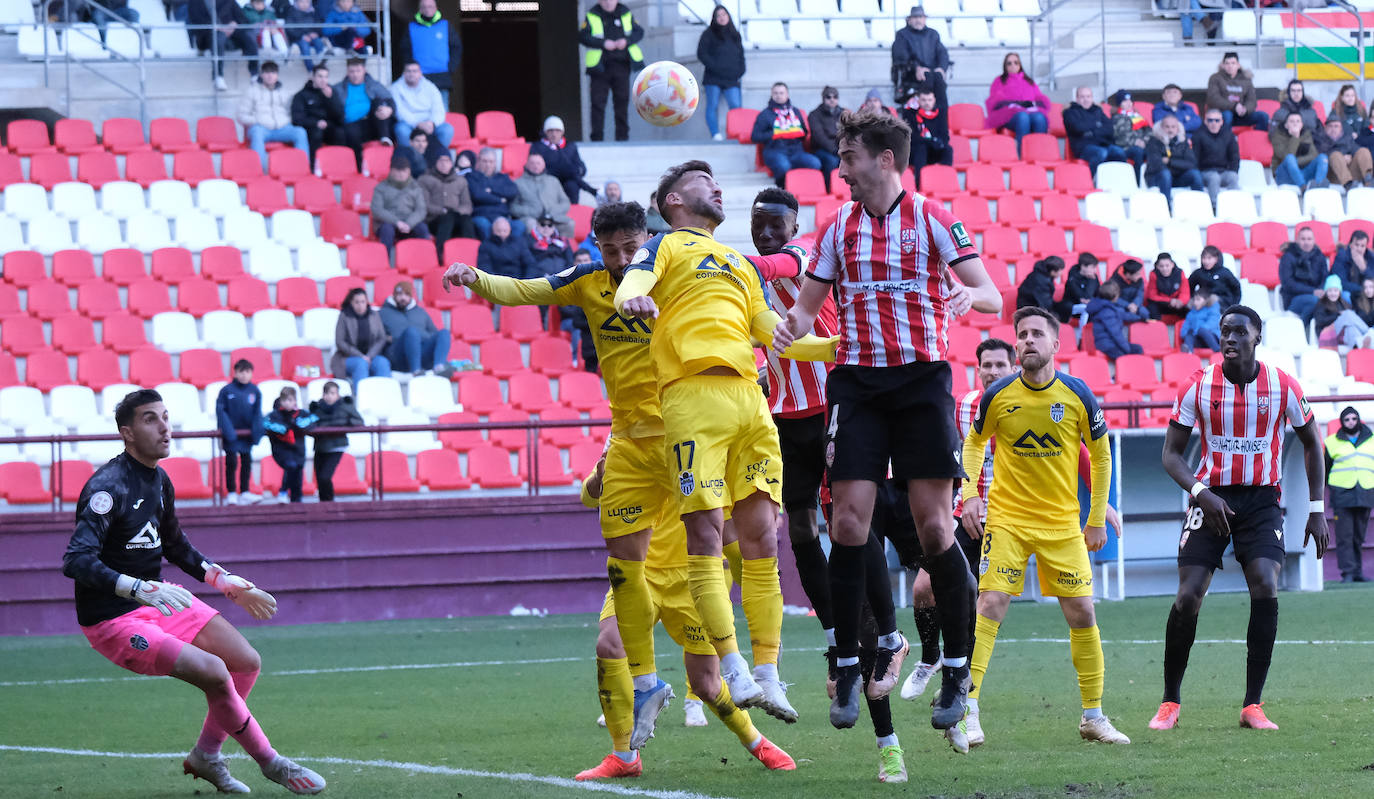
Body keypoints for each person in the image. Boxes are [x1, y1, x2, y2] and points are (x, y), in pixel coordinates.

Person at [445, 202, 799, 769]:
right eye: (608, 249)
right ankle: (635, 719)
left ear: (648, 241)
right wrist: (477, 278)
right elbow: (528, 290)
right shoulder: (588, 283)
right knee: (615, 589)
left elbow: (725, 302)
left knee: (726, 557)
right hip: (630, 441)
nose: (618, 260)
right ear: (596, 248)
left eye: (628, 248)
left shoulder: (669, 273)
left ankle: (754, 691)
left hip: (686, 427)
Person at [775, 110, 1002, 733]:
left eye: (848, 156)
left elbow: (993, 295)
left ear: (883, 160)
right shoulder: (836, 227)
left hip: (922, 381)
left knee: (933, 530)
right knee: (847, 521)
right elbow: (805, 310)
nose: (839, 168)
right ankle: (850, 659)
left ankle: (957, 666)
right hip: (858, 385)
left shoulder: (933, 217)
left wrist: (967, 296)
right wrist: (782, 330)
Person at [616, 162, 846, 730]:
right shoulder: (665, 246)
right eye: (703, 183)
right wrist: (634, 301)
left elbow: (776, 333)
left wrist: (843, 346)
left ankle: (767, 672)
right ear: (674, 200)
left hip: (750, 401)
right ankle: (732, 664)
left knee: (764, 535)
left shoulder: (739, 265)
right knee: (706, 534)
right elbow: (632, 282)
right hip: (693, 397)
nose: (717, 188)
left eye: (716, 183)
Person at [61, 389, 326, 796]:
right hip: (113, 618)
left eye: (166, 416)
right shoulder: (107, 487)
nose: (165, 426)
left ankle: (206, 756)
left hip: (161, 600)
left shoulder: (160, 481)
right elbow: (76, 560)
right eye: (151, 419)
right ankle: (271, 762)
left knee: (245, 662)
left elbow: (175, 545)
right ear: (127, 433)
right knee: (216, 673)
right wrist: (135, 588)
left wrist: (224, 581)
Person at [1154, 304, 1329, 732]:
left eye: (1238, 332)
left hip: (1261, 501)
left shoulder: (1282, 386)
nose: (1229, 338)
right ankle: (1169, 702)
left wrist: (1317, 509)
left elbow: (1312, 442)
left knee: (1266, 584)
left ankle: (1253, 705)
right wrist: (1200, 493)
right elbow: (1171, 455)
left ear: (1257, 337)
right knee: (1188, 595)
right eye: (1224, 332)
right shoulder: (1198, 386)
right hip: (1210, 498)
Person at [574, 444, 796, 780]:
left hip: (695, 581)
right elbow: (589, 495)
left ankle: (757, 742)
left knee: (705, 684)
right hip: (641, 574)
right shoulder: (633, 432)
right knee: (609, 644)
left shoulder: (700, 441)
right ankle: (624, 756)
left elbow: (731, 538)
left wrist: (759, 620)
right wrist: (600, 479)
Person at [961, 306, 1129, 744]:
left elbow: (1102, 454)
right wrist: (970, 495)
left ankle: (1093, 716)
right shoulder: (997, 395)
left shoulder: (1077, 394)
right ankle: (968, 708)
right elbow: (974, 442)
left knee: (1082, 612)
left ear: (1056, 344)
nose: (1027, 341)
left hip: (1061, 524)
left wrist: (1095, 518)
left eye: (1037, 334)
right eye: (1021, 334)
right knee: (991, 602)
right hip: (1009, 519)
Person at [579, 0, 644, 142]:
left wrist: (626, 41)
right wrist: (603, 43)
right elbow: (583, 36)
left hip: (622, 66)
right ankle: (597, 139)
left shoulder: (625, 12)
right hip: (600, 68)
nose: (608, 2)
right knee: (597, 104)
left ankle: (622, 138)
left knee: (622, 103)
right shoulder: (592, 14)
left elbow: (639, 31)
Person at [1325, 407, 1374, 583]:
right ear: (1342, 422)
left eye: (1354, 418)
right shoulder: (1331, 442)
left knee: (1359, 536)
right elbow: (1325, 468)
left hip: (1366, 492)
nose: (1351, 422)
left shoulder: (1372, 440)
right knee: (1344, 536)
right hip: (1342, 493)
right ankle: (1347, 573)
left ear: (1359, 419)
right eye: (1347, 419)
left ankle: (1358, 572)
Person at [237, 61, 309, 172]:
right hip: (261, 128)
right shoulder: (252, 91)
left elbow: (292, 112)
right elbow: (241, 116)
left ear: (277, 75)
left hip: (283, 128)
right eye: (266, 72)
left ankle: (302, 169)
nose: (270, 76)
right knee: (256, 133)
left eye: (273, 72)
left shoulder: (284, 92)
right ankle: (259, 171)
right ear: (261, 75)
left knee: (300, 132)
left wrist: (287, 121)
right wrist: (257, 121)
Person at [751, 82, 821, 188]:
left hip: (796, 151)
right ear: (772, 95)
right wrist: (775, 133)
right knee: (784, 166)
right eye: (775, 93)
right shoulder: (765, 114)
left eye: (781, 93)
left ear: (787, 94)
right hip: (775, 151)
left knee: (815, 163)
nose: (778, 95)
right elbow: (755, 136)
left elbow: (805, 133)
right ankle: (782, 190)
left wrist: (797, 132)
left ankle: (802, 188)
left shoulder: (795, 112)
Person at [379, 281, 453, 377]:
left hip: (421, 353)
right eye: (399, 294)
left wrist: (421, 337)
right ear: (394, 296)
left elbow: (433, 333)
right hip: (398, 357)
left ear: (411, 296)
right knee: (411, 332)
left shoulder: (420, 312)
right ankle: (416, 371)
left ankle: (439, 367)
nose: (403, 298)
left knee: (444, 333)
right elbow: (376, 337)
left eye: (406, 294)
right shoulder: (382, 313)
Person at [215, 360, 263, 505]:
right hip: (231, 435)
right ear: (235, 373)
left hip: (247, 436)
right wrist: (229, 433)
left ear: (251, 373)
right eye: (241, 371)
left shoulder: (255, 391)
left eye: (247, 371)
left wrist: (256, 433)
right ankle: (231, 493)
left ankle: (245, 492)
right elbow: (221, 412)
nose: (244, 375)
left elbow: (257, 413)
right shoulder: (226, 390)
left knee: (247, 462)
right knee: (231, 463)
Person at [697, 5, 746, 142]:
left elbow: (741, 55)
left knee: (736, 107)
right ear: (714, 18)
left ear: (728, 16)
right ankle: (715, 134)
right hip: (713, 77)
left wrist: (740, 71)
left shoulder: (735, 34)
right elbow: (702, 54)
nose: (722, 17)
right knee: (712, 105)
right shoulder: (708, 34)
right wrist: (715, 67)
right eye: (718, 15)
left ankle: (736, 133)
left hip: (732, 78)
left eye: (724, 14)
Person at [308, 381, 362, 503]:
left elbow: (358, 421)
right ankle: (324, 504)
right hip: (320, 446)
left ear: (337, 395)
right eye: (327, 393)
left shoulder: (346, 407)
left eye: (332, 393)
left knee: (325, 476)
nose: (329, 396)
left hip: (337, 446)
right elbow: (309, 425)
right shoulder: (317, 409)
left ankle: (329, 504)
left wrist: (343, 425)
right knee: (320, 479)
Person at [336, 58, 396, 167]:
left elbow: (390, 100)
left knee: (380, 103)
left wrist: (390, 109)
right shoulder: (339, 88)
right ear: (347, 72)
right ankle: (358, 166)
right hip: (350, 124)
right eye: (352, 71)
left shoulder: (373, 85)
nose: (355, 75)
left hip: (371, 122)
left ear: (364, 70)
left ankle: (385, 137)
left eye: (358, 71)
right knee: (351, 132)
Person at [189, 0, 259, 91]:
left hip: (230, 30)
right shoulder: (196, 2)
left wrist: (234, 24)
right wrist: (218, 27)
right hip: (208, 33)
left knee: (248, 36)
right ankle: (218, 76)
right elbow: (196, 20)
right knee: (218, 38)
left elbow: (241, 17)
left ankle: (255, 74)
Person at [263, 386, 317, 504]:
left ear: (295, 401)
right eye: (285, 400)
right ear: (281, 400)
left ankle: (296, 503)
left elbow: (314, 418)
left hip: (298, 450)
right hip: (282, 451)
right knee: (290, 466)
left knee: (297, 476)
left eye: (290, 400)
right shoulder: (274, 415)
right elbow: (265, 423)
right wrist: (283, 429)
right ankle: (283, 491)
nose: (287, 403)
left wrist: (299, 424)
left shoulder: (301, 414)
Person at [370, 153, 432, 256]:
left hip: (410, 223)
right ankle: (384, 261)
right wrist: (396, 222)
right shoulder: (381, 188)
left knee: (422, 229)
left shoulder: (416, 187)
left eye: (404, 171)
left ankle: (426, 259)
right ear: (391, 171)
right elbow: (377, 210)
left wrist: (409, 223)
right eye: (397, 171)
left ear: (409, 172)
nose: (401, 174)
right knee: (387, 230)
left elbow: (421, 210)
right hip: (388, 223)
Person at [984, 52, 1049, 146]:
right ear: (1005, 66)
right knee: (1023, 117)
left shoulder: (1029, 81)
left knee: (1040, 118)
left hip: (1030, 112)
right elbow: (995, 102)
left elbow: (1040, 99)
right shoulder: (999, 81)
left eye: (1016, 62)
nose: (1013, 65)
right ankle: (1022, 155)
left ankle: (1038, 154)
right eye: (1009, 63)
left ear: (1020, 65)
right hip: (1008, 116)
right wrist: (1015, 105)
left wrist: (1030, 104)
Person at [891, 6, 950, 109]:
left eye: (920, 17)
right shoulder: (902, 35)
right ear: (909, 20)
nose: (918, 20)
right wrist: (917, 68)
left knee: (938, 79)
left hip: (932, 73)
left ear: (925, 19)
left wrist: (942, 68)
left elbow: (942, 53)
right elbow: (900, 57)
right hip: (911, 74)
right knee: (927, 77)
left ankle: (942, 117)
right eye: (915, 17)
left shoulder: (933, 34)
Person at [419, 151, 476, 256]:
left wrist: (458, 211)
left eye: (447, 161)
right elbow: (424, 205)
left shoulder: (460, 181)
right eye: (441, 160)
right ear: (435, 162)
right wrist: (442, 210)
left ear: (452, 163)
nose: (444, 164)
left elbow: (467, 205)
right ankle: (440, 255)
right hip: (434, 219)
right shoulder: (425, 180)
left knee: (466, 220)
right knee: (447, 217)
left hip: (455, 216)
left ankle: (472, 255)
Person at [406, 0, 461, 107]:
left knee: (442, 110)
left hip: (442, 77)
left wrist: (451, 67)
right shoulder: (411, 27)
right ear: (420, 9)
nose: (427, 9)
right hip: (419, 77)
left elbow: (456, 47)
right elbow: (405, 51)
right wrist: (411, 71)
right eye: (424, 7)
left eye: (430, 6)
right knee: (419, 109)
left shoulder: (445, 25)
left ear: (436, 8)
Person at [332, 287, 391, 387]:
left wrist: (369, 356)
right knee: (361, 364)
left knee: (383, 362)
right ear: (351, 302)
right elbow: (340, 342)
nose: (360, 305)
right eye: (357, 302)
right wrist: (361, 356)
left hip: (371, 356)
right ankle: (360, 397)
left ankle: (383, 394)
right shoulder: (344, 316)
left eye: (363, 302)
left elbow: (381, 338)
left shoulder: (374, 315)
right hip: (348, 358)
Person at [1064, 86, 1127, 175]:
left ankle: (1117, 180)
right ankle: (1092, 181)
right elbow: (1077, 128)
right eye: (1082, 97)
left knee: (1119, 152)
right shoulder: (1070, 112)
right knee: (1101, 153)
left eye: (1088, 96)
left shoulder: (1098, 110)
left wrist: (1091, 131)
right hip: (1083, 148)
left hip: (1102, 144)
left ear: (1092, 98)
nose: (1086, 99)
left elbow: (1109, 129)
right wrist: (1097, 125)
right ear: (1077, 99)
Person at [391, 61, 453, 151]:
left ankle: (437, 157)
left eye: (414, 71)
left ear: (420, 73)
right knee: (401, 130)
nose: (411, 74)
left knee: (447, 129)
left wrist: (432, 123)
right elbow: (399, 112)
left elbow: (439, 109)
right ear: (404, 73)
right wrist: (417, 124)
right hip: (409, 124)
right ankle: (410, 159)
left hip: (429, 123)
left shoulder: (430, 87)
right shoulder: (395, 88)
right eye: (408, 71)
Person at [530, 116, 593, 205]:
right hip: (548, 179)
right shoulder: (538, 147)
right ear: (545, 132)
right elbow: (534, 167)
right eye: (550, 131)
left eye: (557, 131)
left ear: (562, 132)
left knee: (572, 185)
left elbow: (581, 167)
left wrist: (576, 170)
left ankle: (572, 212)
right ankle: (590, 190)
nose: (554, 134)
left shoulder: (570, 146)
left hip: (568, 179)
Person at [291, 65, 345, 166]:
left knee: (341, 132)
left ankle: (338, 166)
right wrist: (316, 123)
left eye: (325, 77)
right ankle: (313, 167)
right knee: (316, 133)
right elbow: (297, 119)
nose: (323, 80)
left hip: (329, 127)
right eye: (320, 76)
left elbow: (340, 117)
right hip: (311, 128)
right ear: (313, 77)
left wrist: (331, 99)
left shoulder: (332, 92)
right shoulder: (301, 95)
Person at [1144, 116, 1204, 206]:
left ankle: (1200, 205)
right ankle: (1166, 208)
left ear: (1178, 128)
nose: (1170, 130)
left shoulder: (1183, 142)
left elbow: (1192, 164)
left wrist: (1170, 162)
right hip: (1157, 178)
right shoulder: (1153, 141)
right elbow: (1156, 163)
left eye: (1173, 127)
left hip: (1177, 177)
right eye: (1167, 127)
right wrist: (1178, 165)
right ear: (1161, 128)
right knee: (1165, 173)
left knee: (1195, 174)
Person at [512, 153, 575, 238]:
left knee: (569, 224)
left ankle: (564, 250)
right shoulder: (517, 183)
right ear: (526, 165)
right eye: (532, 163)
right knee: (530, 224)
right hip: (531, 218)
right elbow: (513, 207)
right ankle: (536, 249)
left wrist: (554, 211)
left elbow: (565, 202)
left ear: (543, 165)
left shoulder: (553, 181)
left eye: (538, 163)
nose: (535, 166)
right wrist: (531, 211)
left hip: (553, 218)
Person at [467, 147, 523, 240]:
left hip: (503, 217)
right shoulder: (471, 177)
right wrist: (500, 199)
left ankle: (510, 252)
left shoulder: (503, 177)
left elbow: (513, 191)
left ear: (495, 163)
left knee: (519, 226)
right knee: (484, 225)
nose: (488, 165)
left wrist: (492, 190)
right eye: (484, 161)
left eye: (491, 161)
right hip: (482, 215)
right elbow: (478, 195)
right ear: (478, 161)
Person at [1279, 226, 1330, 325]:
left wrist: (1321, 290)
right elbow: (1288, 284)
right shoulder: (1288, 257)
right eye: (1303, 239)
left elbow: (1325, 277)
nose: (1306, 242)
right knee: (1314, 301)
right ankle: (1300, 331)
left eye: (1309, 239)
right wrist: (1313, 291)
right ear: (1297, 240)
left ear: (1314, 240)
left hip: (1317, 295)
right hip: (1293, 298)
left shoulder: (1319, 256)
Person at [901, 87, 953, 185]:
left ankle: (947, 183)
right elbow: (911, 137)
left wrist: (938, 142)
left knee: (948, 149)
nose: (927, 103)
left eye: (930, 100)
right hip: (916, 152)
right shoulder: (910, 114)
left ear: (934, 100)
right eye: (924, 100)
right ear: (919, 100)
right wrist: (930, 141)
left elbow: (945, 136)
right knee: (921, 148)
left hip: (934, 149)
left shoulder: (940, 114)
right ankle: (920, 184)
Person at [1206, 52, 1269, 131]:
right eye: (1227, 63)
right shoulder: (1215, 78)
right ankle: (1226, 142)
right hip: (1223, 114)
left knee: (1263, 116)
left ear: (1238, 65)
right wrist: (1234, 106)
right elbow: (1213, 99)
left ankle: (1257, 141)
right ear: (1223, 65)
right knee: (1227, 115)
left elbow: (1251, 100)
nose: (1230, 66)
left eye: (1233, 63)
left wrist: (1245, 109)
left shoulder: (1246, 79)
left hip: (1241, 115)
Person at [1086, 281, 1143, 361]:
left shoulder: (1108, 307)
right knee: (1123, 357)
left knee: (1138, 349)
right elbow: (1116, 334)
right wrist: (1126, 349)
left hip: (1113, 343)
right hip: (1107, 345)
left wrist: (1140, 317)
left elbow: (1123, 315)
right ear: (1115, 296)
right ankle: (1121, 373)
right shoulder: (1107, 311)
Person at [1315, 116, 1374, 192]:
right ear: (1325, 128)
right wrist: (1342, 157)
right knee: (1335, 155)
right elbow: (1320, 156)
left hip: (1350, 172)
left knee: (1363, 151)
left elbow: (1355, 149)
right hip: (1332, 174)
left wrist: (1350, 157)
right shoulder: (1320, 139)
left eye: (1336, 126)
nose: (1333, 129)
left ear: (1341, 128)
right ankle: (1348, 184)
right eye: (1330, 126)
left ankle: (1368, 179)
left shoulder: (1347, 138)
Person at [1194, 109, 1240, 205]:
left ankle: (1234, 205)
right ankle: (1215, 207)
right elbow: (1194, 158)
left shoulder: (1228, 135)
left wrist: (1233, 170)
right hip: (1205, 172)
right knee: (1214, 177)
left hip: (1223, 171)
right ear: (1205, 121)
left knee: (1233, 177)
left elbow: (1234, 156)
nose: (1213, 123)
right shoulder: (1198, 135)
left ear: (1222, 122)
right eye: (1210, 120)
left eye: (1217, 120)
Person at [1314, 274, 1370, 349]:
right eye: (1330, 290)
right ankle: (1368, 332)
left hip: (1341, 334)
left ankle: (1358, 347)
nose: (1333, 293)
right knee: (1347, 314)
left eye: (1335, 290)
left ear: (1339, 292)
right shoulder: (1321, 303)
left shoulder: (1343, 303)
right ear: (1326, 292)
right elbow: (1320, 321)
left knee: (1351, 327)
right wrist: (1338, 315)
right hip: (1326, 334)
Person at [809, 87, 844, 183]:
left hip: (840, 147)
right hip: (821, 149)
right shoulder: (814, 115)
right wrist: (836, 150)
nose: (832, 99)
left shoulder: (843, 113)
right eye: (828, 97)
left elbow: (849, 133)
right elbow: (819, 137)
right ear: (823, 99)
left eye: (835, 97)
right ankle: (828, 187)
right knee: (832, 161)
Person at [1189, 245, 1240, 309]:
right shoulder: (1198, 273)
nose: (1206, 261)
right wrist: (1193, 298)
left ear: (1216, 259)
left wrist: (1235, 304)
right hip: (1204, 300)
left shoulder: (1224, 272)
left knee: (1212, 298)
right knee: (1190, 304)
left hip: (1223, 302)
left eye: (1209, 258)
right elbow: (1188, 285)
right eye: (1204, 258)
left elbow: (1236, 287)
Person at [1108, 91, 1149, 168]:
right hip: (1125, 148)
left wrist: (1144, 141)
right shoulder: (1117, 118)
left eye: (1130, 101)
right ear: (1119, 104)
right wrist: (1135, 142)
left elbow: (1149, 131)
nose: (1129, 103)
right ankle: (1137, 178)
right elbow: (1120, 137)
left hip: (1142, 144)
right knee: (1138, 151)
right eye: (1125, 101)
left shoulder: (1137, 116)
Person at [1146, 252, 1191, 323]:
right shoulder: (1153, 274)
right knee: (1150, 309)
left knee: (1190, 310)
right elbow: (1152, 295)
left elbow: (1185, 292)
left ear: (1172, 265)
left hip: (1177, 303)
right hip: (1162, 302)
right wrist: (1169, 301)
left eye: (1167, 265)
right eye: (1161, 266)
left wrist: (1180, 301)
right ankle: (1159, 327)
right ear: (1157, 266)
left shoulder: (1180, 273)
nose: (1164, 268)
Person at [284, 0, 327, 71]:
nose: (304, 4)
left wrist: (316, 33)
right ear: (296, 2)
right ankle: (310, 69)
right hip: (298, 38)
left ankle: (320, 62)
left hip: (312, 36)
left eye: (307, 2)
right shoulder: (291, 12)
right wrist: (302, 36)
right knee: (305, 47)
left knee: (319, 42)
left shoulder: (313, 12)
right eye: (302, 2)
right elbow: (290, 29)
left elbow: (318, 24)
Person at [1060, 253, 1102, 322]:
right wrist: (1091, 281)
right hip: (1073, 307)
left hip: (1089, 306)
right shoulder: (1072, 278)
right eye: (1093, 267)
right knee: (1085, 308)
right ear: (1083, 266)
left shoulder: (1093, 277)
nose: (1095, 271)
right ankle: (1082, 331)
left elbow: (1098, 294)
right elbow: (1084, 298)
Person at [1107, 259, 1151, 323]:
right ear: (1128, 275)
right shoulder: (1113, 281)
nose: (1140, 276)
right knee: (1120, 313)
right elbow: (1112, 298)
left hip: (1134, 305)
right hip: (1120, 305)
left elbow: (1140, 295)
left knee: (1144, 312)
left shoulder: (1139, 280)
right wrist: (1128, 305)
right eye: (1137, 274)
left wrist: (1135, 305)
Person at [1178, 287, 1220, 353]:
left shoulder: (1213, 309)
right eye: (1194, 300)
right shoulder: (1191, 313)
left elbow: (1213, 323)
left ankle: (1218, 350)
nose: (1195, 302)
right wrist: (1185, 334)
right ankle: (1189, 352)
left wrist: (1198, 330)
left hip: (1212, 339)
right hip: (1198, 340)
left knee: (1202, 330)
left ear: (1206, 300)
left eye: (1198, 300)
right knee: (1189, 334)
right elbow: (1185, 328)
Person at [1332, 230, 1372, 295]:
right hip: (1347, 291)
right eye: (1356, 245)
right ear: (1350, 245)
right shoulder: (1342, 255)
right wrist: (1362, 289)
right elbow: (1341, 282)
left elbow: (1372, 279)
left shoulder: (1370, 256)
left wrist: (1364, 269)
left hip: (1366, 291)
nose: (1359, 249)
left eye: (1362, 246)